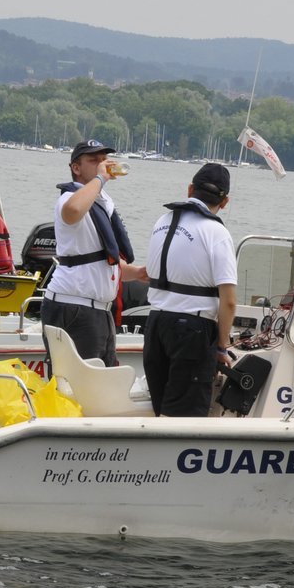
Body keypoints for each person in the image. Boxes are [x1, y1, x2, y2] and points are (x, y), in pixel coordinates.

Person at [143, 163, 237, 417]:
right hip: (192, 330)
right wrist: (221, 345)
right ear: (225, 201)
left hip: (155, 323)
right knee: (185, 416)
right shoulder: (216, 232)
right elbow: (228, 301)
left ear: (189, 190)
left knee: (161, 407)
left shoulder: (162, 220)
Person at [41, 140, 146, 368]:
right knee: (76, 384)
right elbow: (73, 211)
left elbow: (102, 261)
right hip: (74, 307)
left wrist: (137, 273)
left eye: (103, 159)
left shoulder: (101, 202)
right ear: (76, 168)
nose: (102, 164)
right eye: (93, 160)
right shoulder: (69, 199)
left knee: (100, 380)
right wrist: (100, 179)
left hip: (99, 311)